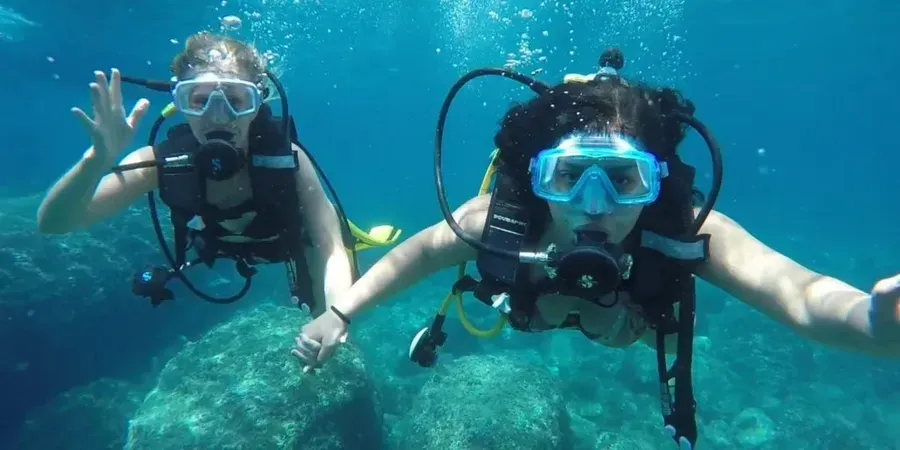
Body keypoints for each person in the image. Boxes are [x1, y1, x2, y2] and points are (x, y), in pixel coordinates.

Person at [292, 49, 900, 449]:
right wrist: (340, 312)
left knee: (617, 320)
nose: (594, 202)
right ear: (537, 177)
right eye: (570, 176)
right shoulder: (498, 220)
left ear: (655, 181)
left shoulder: (682, 227)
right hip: (528, 307)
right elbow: (415, 256)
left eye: (624, 179)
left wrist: (870, 320)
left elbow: (796, 290)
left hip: (624, 319)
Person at [36, 32, 400, 313]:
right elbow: (55, 222)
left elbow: (332, 246)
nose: (217, 114)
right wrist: (96, 162)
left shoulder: (287, 159)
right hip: (222, 245)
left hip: (291, 243)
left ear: (257, 105)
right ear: (181, 105)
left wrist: (337, 316)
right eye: (200, 99)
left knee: (324, 309)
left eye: (236, 100)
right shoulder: (158, 163)